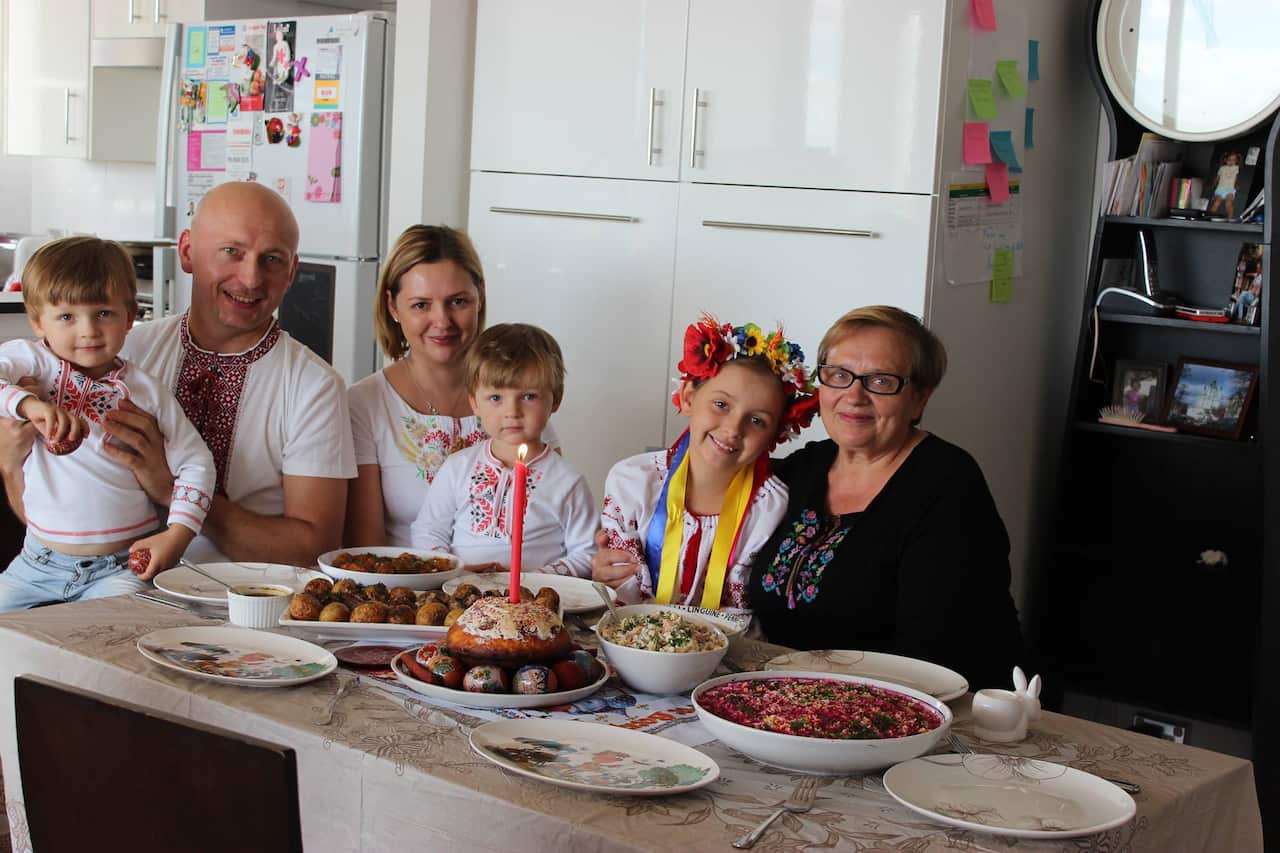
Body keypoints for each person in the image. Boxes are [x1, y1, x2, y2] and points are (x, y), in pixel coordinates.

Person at [0, 182, 357, 567]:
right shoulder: (118, 353)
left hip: (240, 606)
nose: (252, 278)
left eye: (271, 259)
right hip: (112, 588)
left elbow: (311, 551)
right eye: (231, 252)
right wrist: (9, 464)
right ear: (187, 252)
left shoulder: (314, 387)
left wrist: (172, 490)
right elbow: (58, 525)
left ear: (291, 272)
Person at [753, 306, 1021, 688]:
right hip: (791, 699)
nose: (854, 395)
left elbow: (935, 656)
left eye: (881, 381)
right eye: (839, 375)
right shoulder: (803, 469)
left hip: (929, 715)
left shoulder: (947, 485)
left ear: (919, 398)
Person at [0, 237, 214, 611]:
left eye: (103, 313)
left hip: (121, 567)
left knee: (104, 638)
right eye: (67, 316)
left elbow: (197, 463)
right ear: (38, 322)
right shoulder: (31, 363)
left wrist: (178, 534)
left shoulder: (146, 391)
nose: (88, 331)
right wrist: (29, 405)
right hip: (35, 564)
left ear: (130, 316)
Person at [345, 225, 559, 547]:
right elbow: (366, 550)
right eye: (421, 305)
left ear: (480, 297)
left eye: (457, 302)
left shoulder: (517, 393)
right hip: (405, 591)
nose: (442, 321)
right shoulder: (364, 405)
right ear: (393, 306)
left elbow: (556, 517)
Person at [595, 315, 816, 618]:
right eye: (721, 405)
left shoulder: (771, 507)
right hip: (633, 640)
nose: (733, 428)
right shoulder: (633, 481)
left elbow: (742, 612)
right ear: (688, 397)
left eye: (757, 421)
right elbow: (623, 588)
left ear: (776, 435)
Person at [410, 323, 594, 576]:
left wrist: (534, 578)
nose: (512, 412)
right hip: (459, 595)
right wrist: (455, 569)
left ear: (556, 400)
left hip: (535, 600)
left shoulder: (567, 481)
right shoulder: (457, 467)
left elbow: (587, 553)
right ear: (474, 402)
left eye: (529, 396)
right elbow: (427, 531)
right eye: (496, 398)